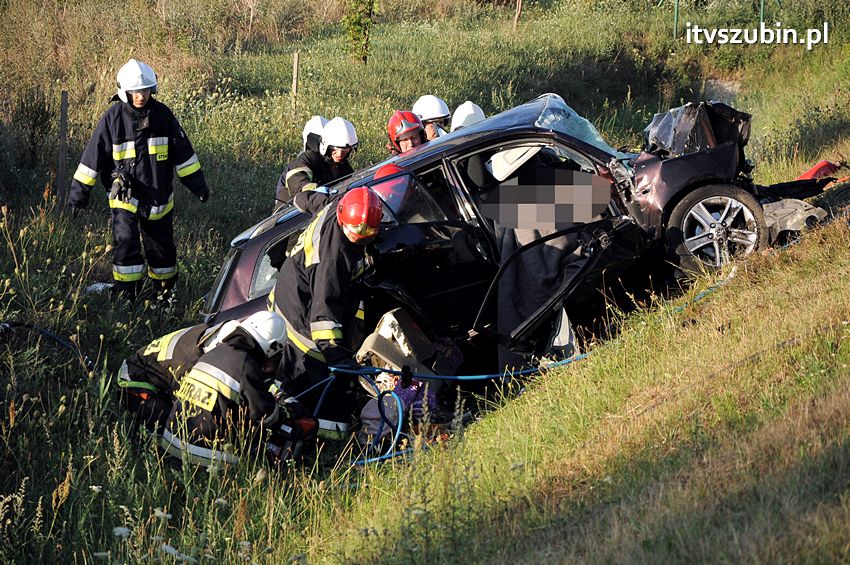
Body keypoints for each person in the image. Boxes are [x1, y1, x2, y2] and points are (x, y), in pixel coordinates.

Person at [69, 58, 211, 299]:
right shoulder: (112, 118)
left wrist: (198, 186)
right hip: (125, 197)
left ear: (152, 89)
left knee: (163, 250)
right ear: (124, 92)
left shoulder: (163, 116)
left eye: (145, 90)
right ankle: (127, 295)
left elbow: (184, 155)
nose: (140, 96)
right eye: (135, 91)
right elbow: (92, 159)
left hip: (159, 198)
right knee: (125, 245)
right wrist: (77, 196)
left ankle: (165, 295)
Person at [269, 187, 382, 439]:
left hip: (297, 288)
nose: (360, 238)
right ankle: (326, 438)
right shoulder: (334, 258)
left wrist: (298, 196)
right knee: (315, 367)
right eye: (356, 233)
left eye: (368, 233)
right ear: (343, 219)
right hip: (299, 307)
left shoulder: (336, 204)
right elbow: (324, 315)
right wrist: (337, 356)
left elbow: (308, 198)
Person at [159, 311, 316, 467]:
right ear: (272, 347)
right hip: (204, 454)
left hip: (171, 443)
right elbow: (265, 416)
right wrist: (288, 417)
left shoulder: (215, 352)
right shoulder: (246, 366)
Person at [275, 117, 358, 212]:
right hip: (289, 216)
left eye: (345, 151)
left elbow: (352, 184)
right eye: (335, 149)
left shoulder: (343, 167)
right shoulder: (307, 159)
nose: (339, 154)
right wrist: (314, 190)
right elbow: (296, 178)